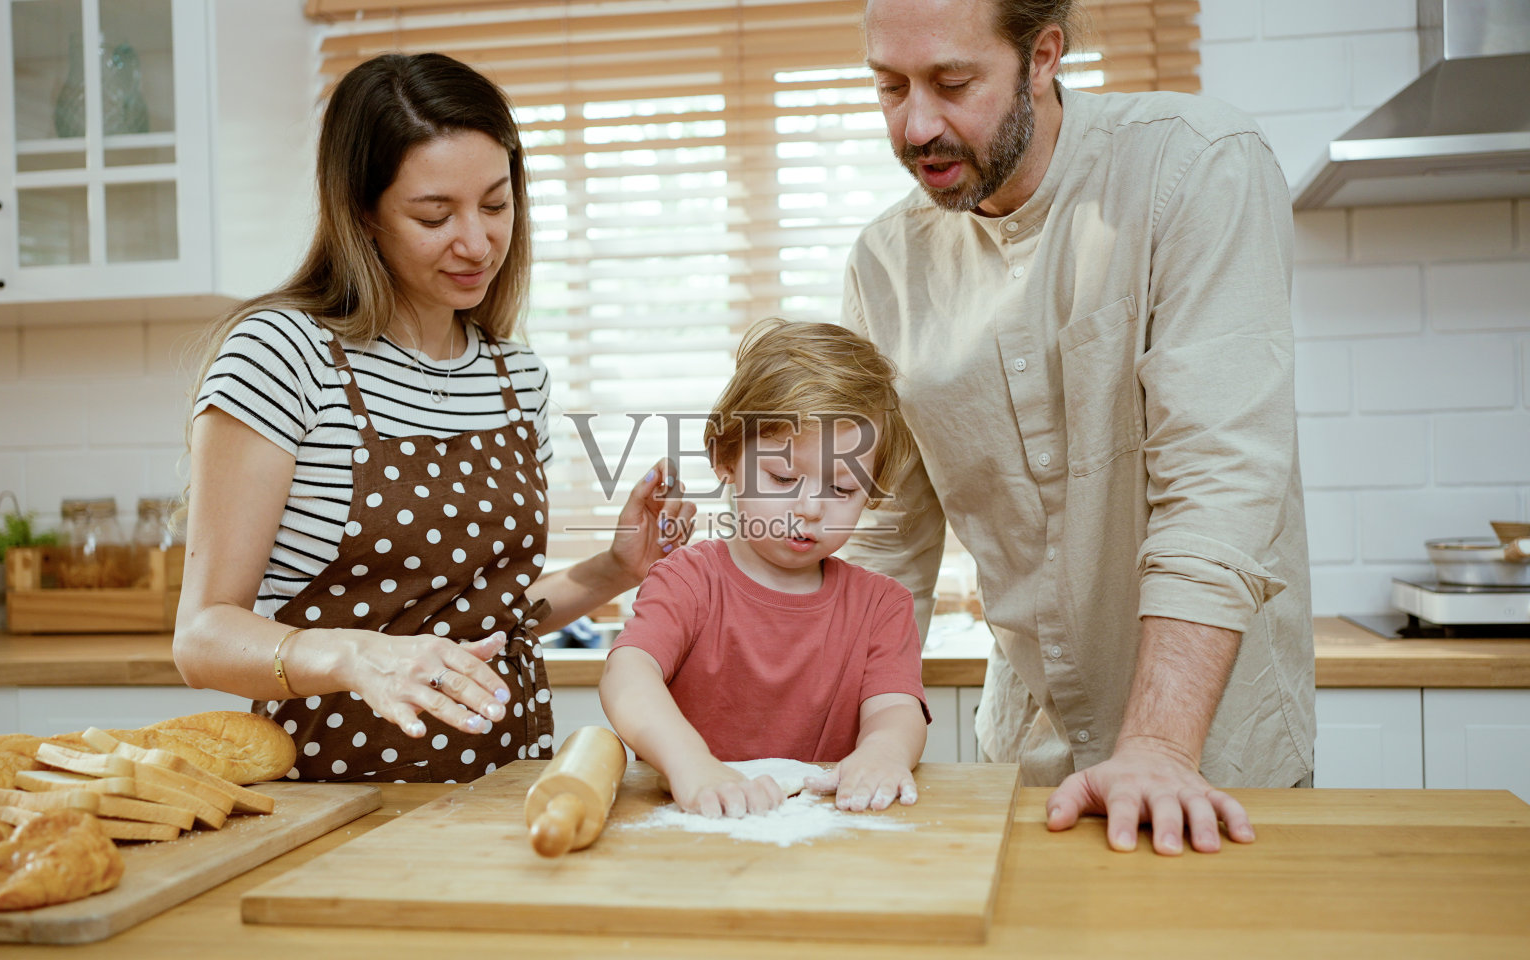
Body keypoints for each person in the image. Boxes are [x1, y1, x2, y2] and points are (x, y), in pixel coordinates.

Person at [842, 0, 1314, 855]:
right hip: (1030, 757)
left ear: (1042, 56)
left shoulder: (1195, 165)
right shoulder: (885, 265)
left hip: (1208, 755)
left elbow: (1218, 482)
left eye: (953, 83)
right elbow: (883, 547)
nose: (915, 127)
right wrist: (824, 734)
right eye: (890, 87)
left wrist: (1159, 747)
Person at [173, 53, 694, 783]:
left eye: (495, 205)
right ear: (362, 211)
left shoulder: (516, 377)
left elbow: (487, 620)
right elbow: (202, 636)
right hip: (334, 795)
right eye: (434, 215)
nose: (476, 243)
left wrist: (614, 569)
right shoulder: (283, 354)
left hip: (507, 785)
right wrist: (359, 656)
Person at [599, 319, 930, 818]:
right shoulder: (688, 581)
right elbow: (627, 674)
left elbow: (895, 708)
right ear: (726, 460)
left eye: (842, 489)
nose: (811, 508)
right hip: (697, 827)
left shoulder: (882, 606)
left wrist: (882, 754)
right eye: (782, 477)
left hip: (826, 831)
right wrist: (692, 765)